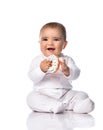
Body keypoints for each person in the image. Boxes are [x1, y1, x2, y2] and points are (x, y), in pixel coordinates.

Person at [27, 22, 94, 114]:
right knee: (31, 98)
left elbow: (77, 74)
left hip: (65, 95)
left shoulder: (67, 60)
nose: (50, 43)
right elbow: (32, 77)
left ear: (64, 44)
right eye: (45, 39)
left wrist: (68, 71)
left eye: (56, 39)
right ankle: (53, 106)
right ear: (39, 43)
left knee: (82, 95)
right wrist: (41, 69)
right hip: (44, 94)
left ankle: (80, 106)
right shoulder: (38, 60)